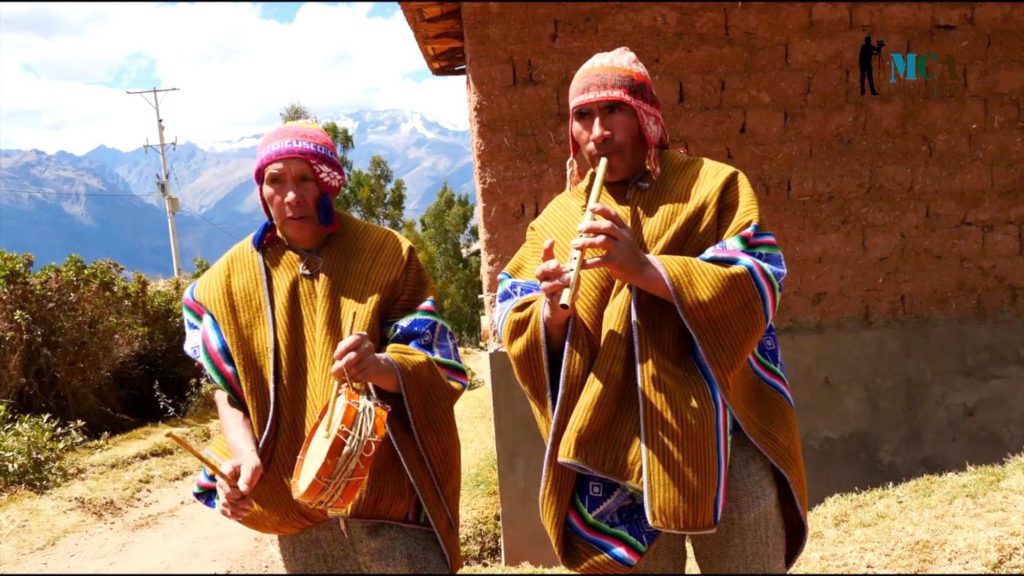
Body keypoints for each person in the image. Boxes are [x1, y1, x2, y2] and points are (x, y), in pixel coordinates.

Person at [495, 47, 808, 573]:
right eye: (583, 116)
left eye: (613, 111)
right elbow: (511, 313)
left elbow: (758, 279)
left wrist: (643, 269)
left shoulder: (712, 187)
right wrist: (550, 313)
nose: (599, 131)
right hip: (613, 458)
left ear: (646, 118)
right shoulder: (558, 218)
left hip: (724, 435)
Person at [180, 121, 468, 573]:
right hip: (299, 511)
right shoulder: (225, 283)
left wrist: (379, 365)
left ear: (328, 183)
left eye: (305, 179)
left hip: (387, 500)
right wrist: (245, 456)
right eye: (276, 180)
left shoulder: (386, 254)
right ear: (262, 188)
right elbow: (227, 388)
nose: (291, 196)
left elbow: (438, 364)